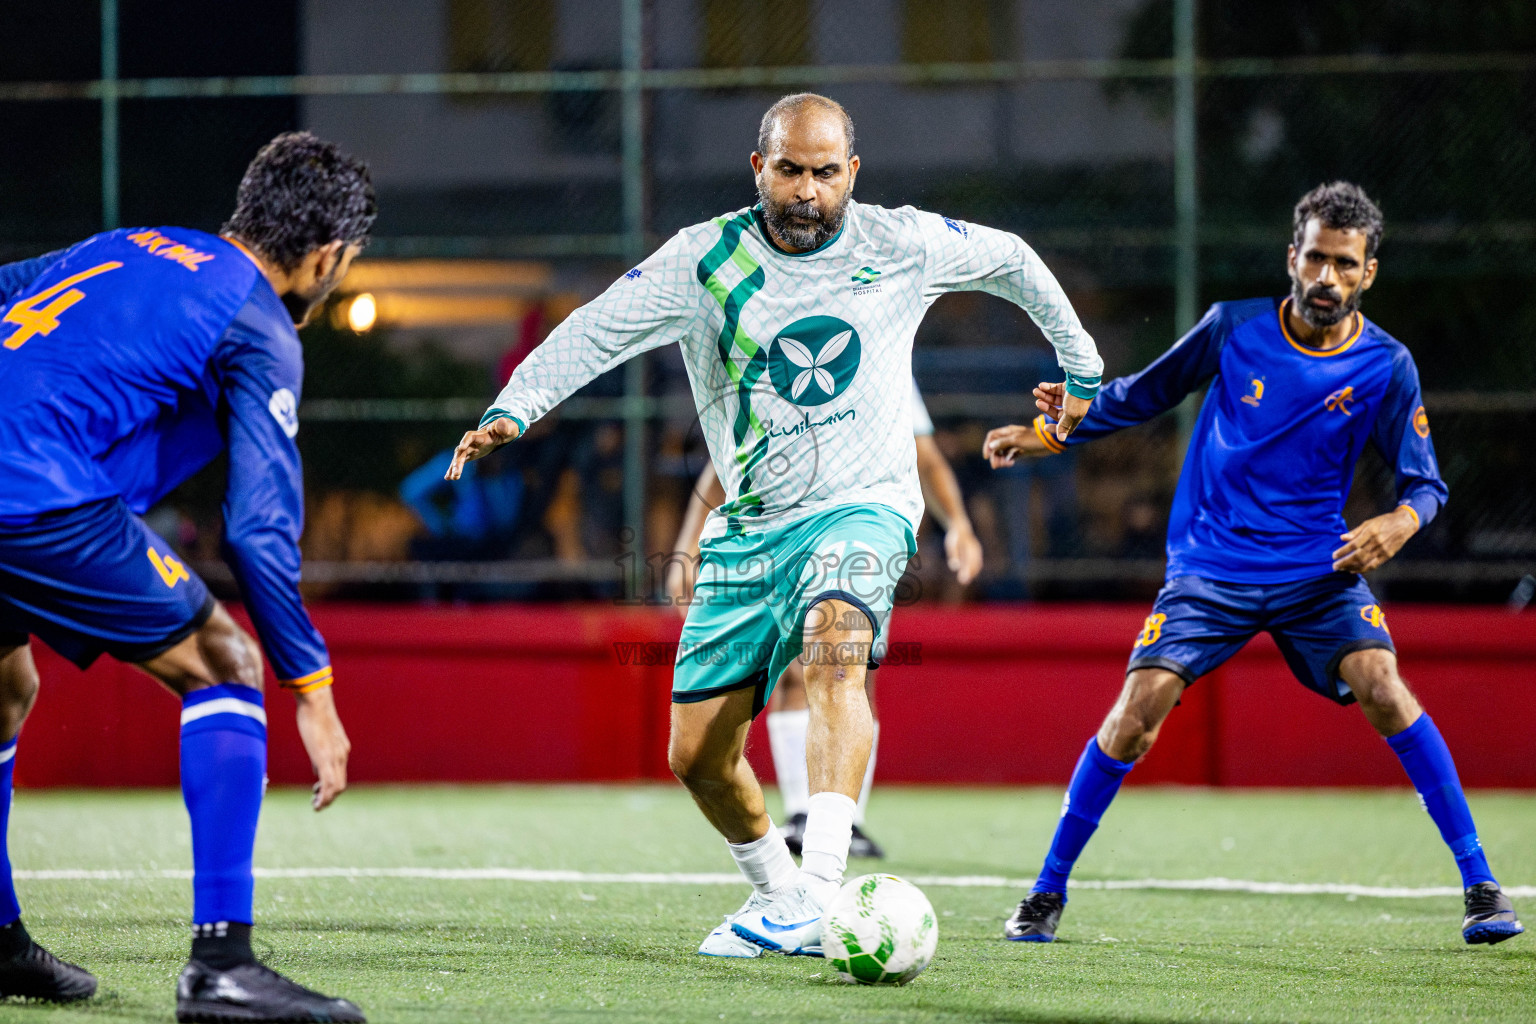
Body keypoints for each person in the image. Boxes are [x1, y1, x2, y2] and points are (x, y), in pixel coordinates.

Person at [447, 92, 1100, 960]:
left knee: (836, 649)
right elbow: (596, 330)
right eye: (789, 169)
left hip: (866, 505)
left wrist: (1083, 370)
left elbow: (1013, 259)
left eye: (825, 173)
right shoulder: (705, 260)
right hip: (752, 526)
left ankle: (824, 890)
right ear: (759, 168)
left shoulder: (895, 241)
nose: (806, 190)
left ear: (851, 175)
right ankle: (783, 899)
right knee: (696, 756)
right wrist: (514, 410)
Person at [982, 181, 1523, 947]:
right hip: (1210, 565)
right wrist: (1053, 433)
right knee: (1137, 717)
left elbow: (1426, 483)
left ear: (1368, 272)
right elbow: (1144, 394)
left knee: (1385, 687)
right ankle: (1045, 892)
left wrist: (1400, 521)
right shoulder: (1232, 328)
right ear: (1292, 258)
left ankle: (1480, 888)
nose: (1326, 278)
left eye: (1344, 263)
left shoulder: (1387, 366)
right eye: (1314, 258)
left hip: (1316, 568)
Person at [0, 132, 372, 1020]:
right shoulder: (262, 325)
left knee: (3, 688)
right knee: (224, 663)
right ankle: (223, 967)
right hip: (34, 489)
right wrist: (312, 686)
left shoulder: (129, 244)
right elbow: (257, 527)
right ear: (324, 256)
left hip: (24, 479)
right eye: (346, 262)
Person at [666, 378, 983, 859]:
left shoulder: (882, 352)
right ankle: (801, 813)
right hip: (775, 534)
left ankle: (843, 820)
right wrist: (688, 542)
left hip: (857, 532)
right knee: (797, 672)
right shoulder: (774, 355)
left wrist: (958, 522)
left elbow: (925, 453)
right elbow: (728, 457)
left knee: (844, 666)